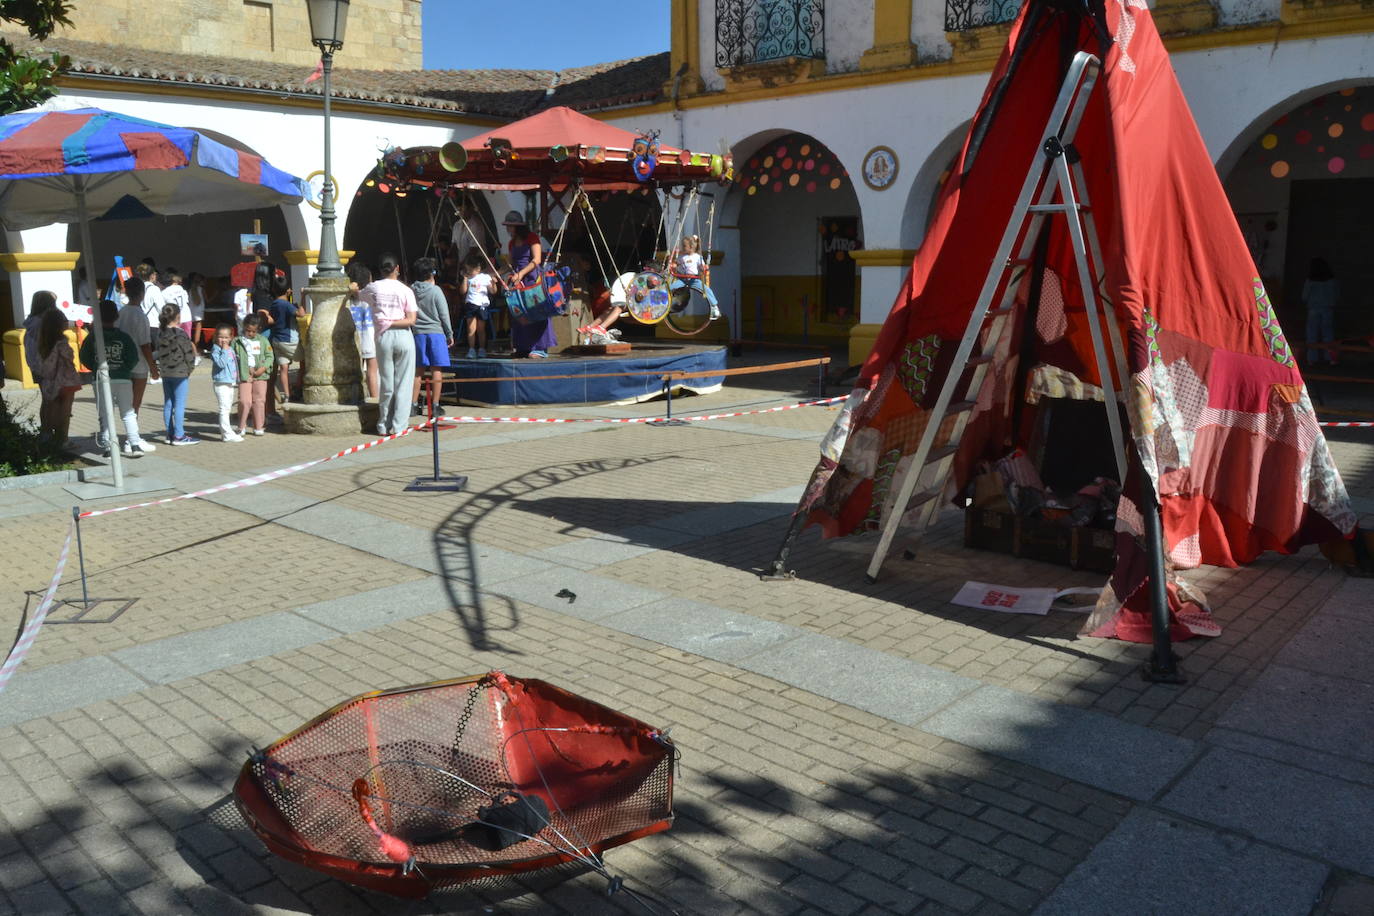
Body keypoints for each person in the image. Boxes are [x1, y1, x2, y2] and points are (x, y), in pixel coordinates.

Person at [80, 299, 154, 456]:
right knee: (128, 412)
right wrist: (125, 369)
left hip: (101, 379)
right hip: (123, 379)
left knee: (105, 414)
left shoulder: (93, 337)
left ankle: (108, 447)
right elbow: (133, 357)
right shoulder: (124, 337)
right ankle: (134, 444)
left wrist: (95, 368)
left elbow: (84, 356)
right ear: (116, 316)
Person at [361, 252, 418, 436]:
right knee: (404, 382)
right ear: (397, 269)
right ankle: (399, 426)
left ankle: (383, 424)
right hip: (403, 336)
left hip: (383, 337)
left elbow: (360, 295)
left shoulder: (373, 288)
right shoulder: (406, 290)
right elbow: (411, 320)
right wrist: (393, 320)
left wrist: (384, 321)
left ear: (379, 270)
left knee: (386, 381)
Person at [503, 210, 555, 358]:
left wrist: (521, 274)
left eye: (510, 226)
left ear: (518, 227)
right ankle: (523, 346)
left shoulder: (532, 238)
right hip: (518, 281)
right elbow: (511, 263)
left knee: (536, 311)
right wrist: (495, 274)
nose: (508, 229)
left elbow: (537, 260)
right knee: (519, 313)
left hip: (532, 279)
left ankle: (540, 347)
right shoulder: (512, 243)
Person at [409, 256, 454, 416]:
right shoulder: (436, 291)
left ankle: (413, 405)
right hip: (436, 333)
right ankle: (435, 405)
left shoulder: (411, 290)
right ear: (431, 274)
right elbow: (444, 314)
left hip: (417, 333)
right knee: (436, 369)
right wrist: (449, 333)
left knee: (417, 371)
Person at [113, 276, 160, 412]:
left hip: (122, 363)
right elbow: (145, 345)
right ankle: (132, 432)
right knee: (135, 403)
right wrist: (153, 368)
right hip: (139, 365)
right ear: (142, 294)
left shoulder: (121, 313)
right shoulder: (141, 316)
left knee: (125, 402)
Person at [155, 303, 199, 445]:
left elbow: (158, 352)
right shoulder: (180, 334)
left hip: (166, 373)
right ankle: (179, 436)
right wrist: (190, 368)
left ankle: (170, 434)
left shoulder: (161, 333)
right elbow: (188, 354)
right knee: (179, 404)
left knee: (168, 403)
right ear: (178, 316)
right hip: (180, 373)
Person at [37, 306, 80, 449]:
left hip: (50, 382)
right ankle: (63, 439)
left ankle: (48, 435)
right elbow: (69, 357)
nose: (67, 322)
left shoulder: (43, 342)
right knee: (65, 411)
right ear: (58, 324)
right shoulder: (62, 342)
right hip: (67, 381)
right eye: (64, 319)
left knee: (52, 408)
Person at [264, 272, 304, 405]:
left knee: (284, 369)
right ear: (288, 291)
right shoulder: (286, 304)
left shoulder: (275, 303)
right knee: (304, 362)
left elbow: (274, 319)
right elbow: (301, 314)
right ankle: (298, 387)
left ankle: (287, 395)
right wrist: (303, 296)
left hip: (277, 340)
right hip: (289, 340)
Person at [232, 314, 273, 436]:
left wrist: (263, 368)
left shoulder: (263, 341)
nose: (250, 333)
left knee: (259, 400)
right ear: (244, 327)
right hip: (244, 375)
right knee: (245, 401)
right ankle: (241, 425)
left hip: (260, 376)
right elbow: (232, 357)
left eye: (253, 331)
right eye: (248, 330)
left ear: (258, 329)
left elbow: (270, 356)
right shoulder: (237, 341)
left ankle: (258, 426)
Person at [346, 261, 379, 400]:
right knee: (372, 371)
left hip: (354, 338)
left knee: (355, 372)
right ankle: (375, 399)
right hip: (370, 337)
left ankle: (356, 399)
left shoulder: (347, 297)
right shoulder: (369, 294)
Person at [670, 235, 720, 320]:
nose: (683, 247)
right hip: (684, 280)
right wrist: (673, 265)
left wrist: (703, 268)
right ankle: (664, 303)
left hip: (694, 280)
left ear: (691, 247)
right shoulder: (682, 257)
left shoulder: (697, 257)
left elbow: (701, 266)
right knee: (670, 287)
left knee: (707, 290)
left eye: (685, 246)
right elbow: (676, 263)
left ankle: (714, 307)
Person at [1303, 257, 1340, 366]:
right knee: (1328, 334)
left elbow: (1304, 296)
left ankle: (1312, 359)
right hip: (1328, 309)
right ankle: (1330, 358)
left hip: (1313, 309)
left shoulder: (1310, 281)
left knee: (1312, 334)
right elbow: (1337, 295)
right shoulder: (1332, 281)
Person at [209, 324, 244, 442]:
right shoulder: (216, 349)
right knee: (224, 409)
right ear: (216, 337)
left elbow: (234, 365)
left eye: (226, 337)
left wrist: (237, 380)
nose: (223, 340)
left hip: (230, 382)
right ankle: (227, 434)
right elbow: (221, 364)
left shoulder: (230, 348)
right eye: (220, 337)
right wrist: (224, 350)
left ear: (231, 338)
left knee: (227, 408)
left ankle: (228, 432)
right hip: (221, 383)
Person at [460, 254, 496, 358]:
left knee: (481, 329)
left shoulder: (485, 277)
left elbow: (493, 291)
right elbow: (462, 291)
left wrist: (493, 284)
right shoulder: (468, 278)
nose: (469, 271)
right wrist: (465, 279)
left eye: (470, 269)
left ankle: (482, 349)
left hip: (481, 305)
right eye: (467, 269)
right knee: (471, 329)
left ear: (478, 269)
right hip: (471, 305)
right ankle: (471, 349)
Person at [22, 290, 57, 388]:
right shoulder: (43, 323)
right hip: (47, 367)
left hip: (37, 366)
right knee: (53, 399)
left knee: (48, 399)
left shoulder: (31, 322)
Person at [162, 267, 192, 338]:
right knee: (187, 341)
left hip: (174, 319)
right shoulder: (182, 289)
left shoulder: (164, 292)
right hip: (186, 317)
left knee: (175, 342)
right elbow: (187, 302)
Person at [186, 272, 208, 352]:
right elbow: (207, 300)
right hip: (199, 311)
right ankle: (196, 346)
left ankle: (191, 345)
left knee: (191, 329)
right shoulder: (201, 289)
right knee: (198, 329)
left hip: (191, 310)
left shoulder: (189, 290)